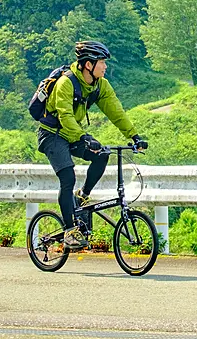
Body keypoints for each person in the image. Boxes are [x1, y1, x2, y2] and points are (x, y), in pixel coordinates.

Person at [36, 40, 147, 248]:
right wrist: (84, 137)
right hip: (52, 134)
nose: (105, 66)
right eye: (102, 62)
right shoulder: (66, 83)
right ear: (89, 64)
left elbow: (116, 112)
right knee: (68, 177)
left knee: (102, 154)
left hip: (73, 134)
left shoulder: (100, 85)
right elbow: (65, 116)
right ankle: (70, 232)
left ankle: (82, 196)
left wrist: (134, 136)